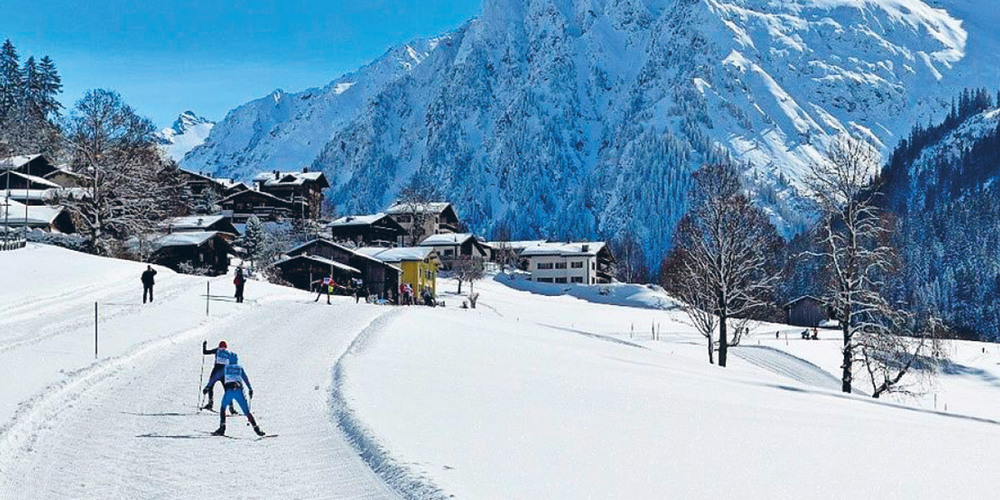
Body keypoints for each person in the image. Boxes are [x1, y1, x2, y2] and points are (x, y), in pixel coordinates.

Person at [208, 355, 265, 437]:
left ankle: (222, 428)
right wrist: (250, 389)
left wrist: (208, 386)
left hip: (229, 391)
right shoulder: (239, 368)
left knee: (223, 408)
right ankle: (257, 429)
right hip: (239, 391)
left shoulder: (226, 367)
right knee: (246, 412)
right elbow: (245, 379)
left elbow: (215, 377)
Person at [202, 340, 237, 414]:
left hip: (215, 372)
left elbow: (205, 352)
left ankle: (210, 404)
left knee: (210, 387)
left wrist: (204, 345)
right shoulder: (228, 353)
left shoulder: (217, 350)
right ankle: (232, 409)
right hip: (224, 374)